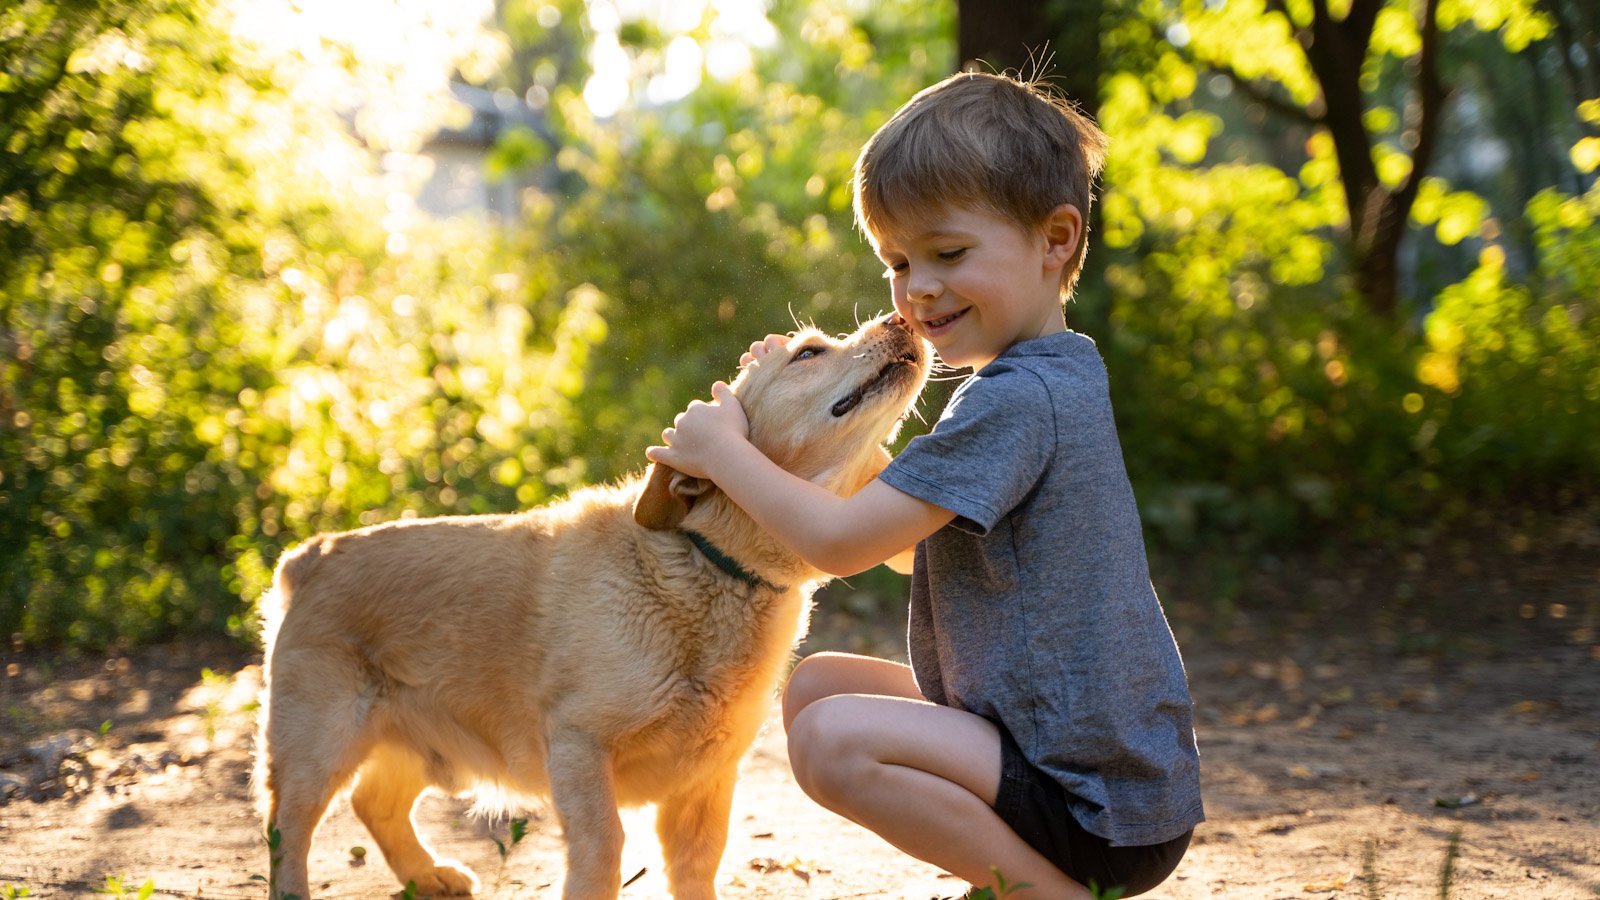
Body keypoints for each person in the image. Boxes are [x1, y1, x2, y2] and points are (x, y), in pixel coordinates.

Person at [645, 71, 1202, 899]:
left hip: (1095, 803)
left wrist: (726, 455)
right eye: (898, 262)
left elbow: (839, 545)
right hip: (1083, 761)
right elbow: (911, 552)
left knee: (833, 740)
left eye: (948, 253)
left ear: (1056, 240)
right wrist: (791, 411)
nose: (920, 289)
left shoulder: (1017, 399)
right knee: (817, 684)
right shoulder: (1047, 374)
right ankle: (1014, 874)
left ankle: (1049, 893)